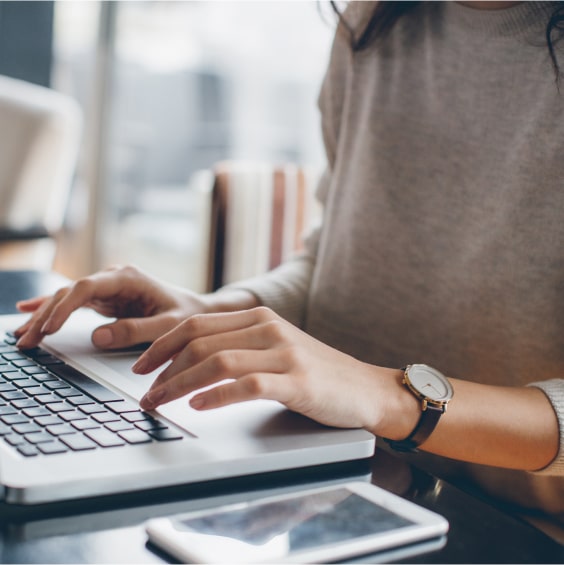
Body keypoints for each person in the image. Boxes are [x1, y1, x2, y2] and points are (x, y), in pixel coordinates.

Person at [14, 1, 564, 515]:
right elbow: (334, 257)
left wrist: (383, 395)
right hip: (337, 475)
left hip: (514, 526)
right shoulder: (375, 20)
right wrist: (215, 311)